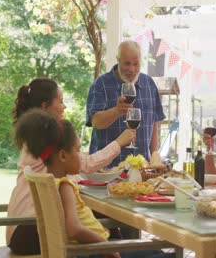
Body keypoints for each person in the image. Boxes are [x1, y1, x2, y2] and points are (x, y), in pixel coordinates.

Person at [14, 109, 174, 258]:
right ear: (63, 156)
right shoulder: (64, 186)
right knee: (169, 254)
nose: (81, 156)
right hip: (96, 251)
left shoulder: (50, 183)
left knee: (154, 251)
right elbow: (74, 228)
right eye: (77, 151)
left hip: (94, 249)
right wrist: (106, 247)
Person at [7, 77, 135, 255]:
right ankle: (117, 249)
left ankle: (114, 247)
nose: (64, 107)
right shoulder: (44, 139)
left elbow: (65, 166)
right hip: (30, 229)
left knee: (100, 218)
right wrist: (119, 143)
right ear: (45, 106)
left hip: (22, 229)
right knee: (104, 221)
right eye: (60, 101)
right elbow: (85, 163)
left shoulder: (36, 137)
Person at [86, 40, 165, 168]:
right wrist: (116, 111)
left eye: (136, 64)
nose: (132, 69)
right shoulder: (101, 84)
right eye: (127, 64)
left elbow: (154, 121)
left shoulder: (149, 83)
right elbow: (95, 122)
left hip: (141, 168)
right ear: (118, 60)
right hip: (107, 169)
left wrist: (154, 154)